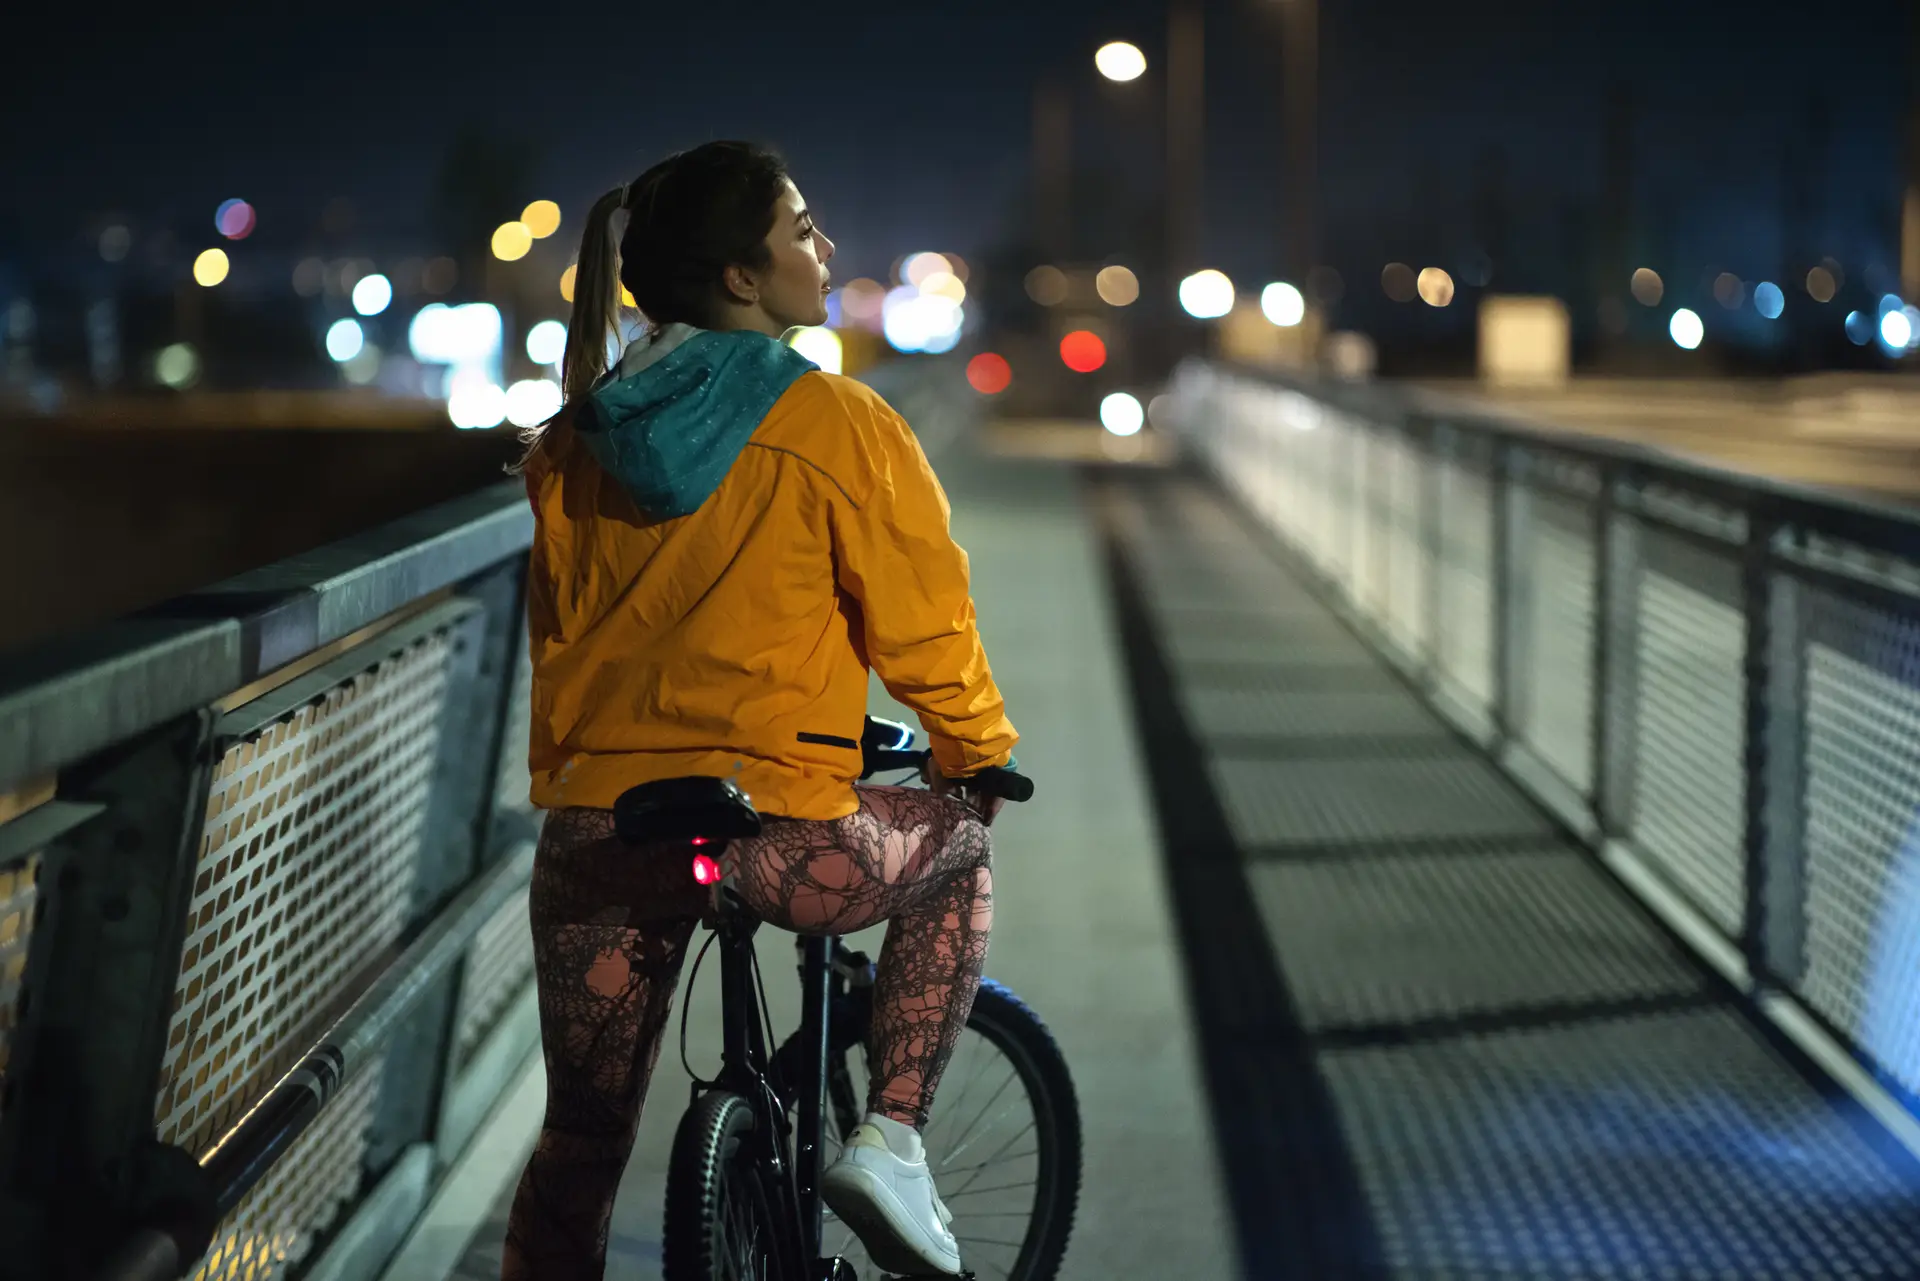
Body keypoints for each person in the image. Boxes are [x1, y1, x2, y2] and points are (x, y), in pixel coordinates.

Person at [501, 140, 1019, 1281]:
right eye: (800, 230)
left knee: (580, 1144)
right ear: (742, 277)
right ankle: (888, 1141)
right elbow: (924, 623)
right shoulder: (839, 423)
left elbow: (567, 630)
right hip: (772, 829)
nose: (823, 249)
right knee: (959, 854)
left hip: (599, 831)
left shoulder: (574, 443)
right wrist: (973, 750)